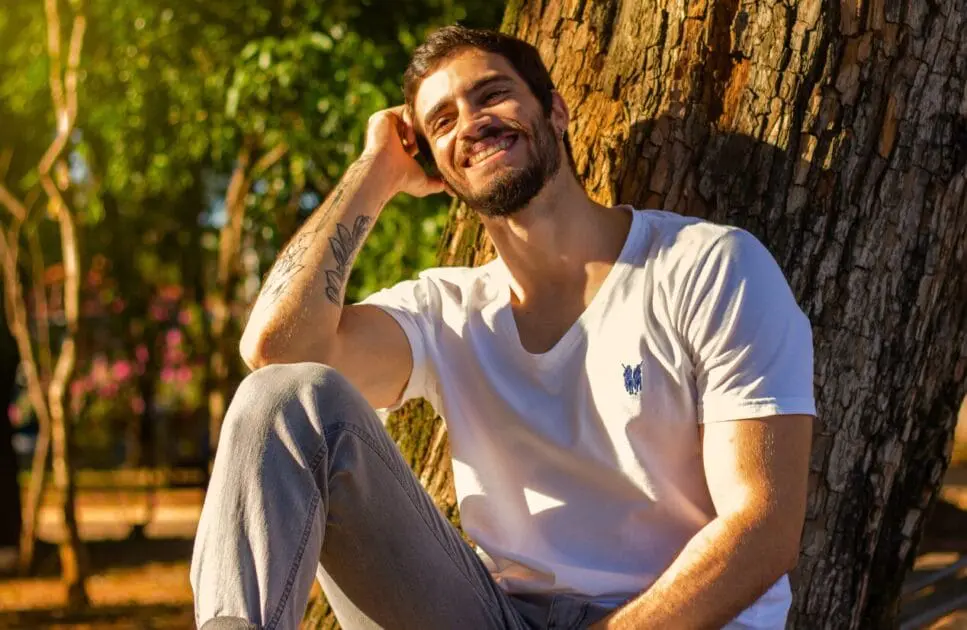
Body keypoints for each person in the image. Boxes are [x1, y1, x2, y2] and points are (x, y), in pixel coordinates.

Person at [191, 25, 815, 630]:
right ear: (435, 169)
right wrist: (375, 170)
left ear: (556, 110)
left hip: (675, 618)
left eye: (491, 94)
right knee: (280, 396)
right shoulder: (445, 311)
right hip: (497, 615)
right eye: (442, 122)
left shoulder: (708, 267)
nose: (471, 123)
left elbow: (763, 529)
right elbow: (277, 352)